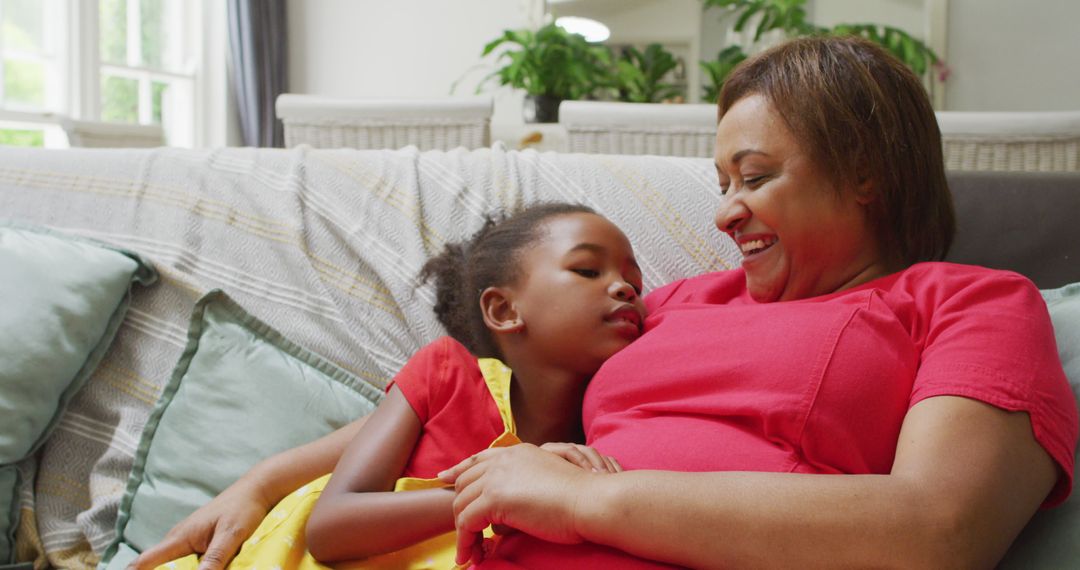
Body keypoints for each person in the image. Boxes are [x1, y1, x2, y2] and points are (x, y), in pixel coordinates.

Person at [133, 35, 1078, 570]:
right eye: (721, 180)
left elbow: (938, 532)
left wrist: (590, 499)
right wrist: (264, 483)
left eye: (754, 178)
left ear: (865, 172)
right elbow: (479, 395)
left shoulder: (968, 303)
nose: (724, 212)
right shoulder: (672, 305)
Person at [151, 202, 645, 569]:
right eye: (586, 270)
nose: (625, 289)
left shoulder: (608, 432)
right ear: (504, 309)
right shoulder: (447, 376)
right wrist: (496, 493)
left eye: (636, 285)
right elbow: (329, 527)